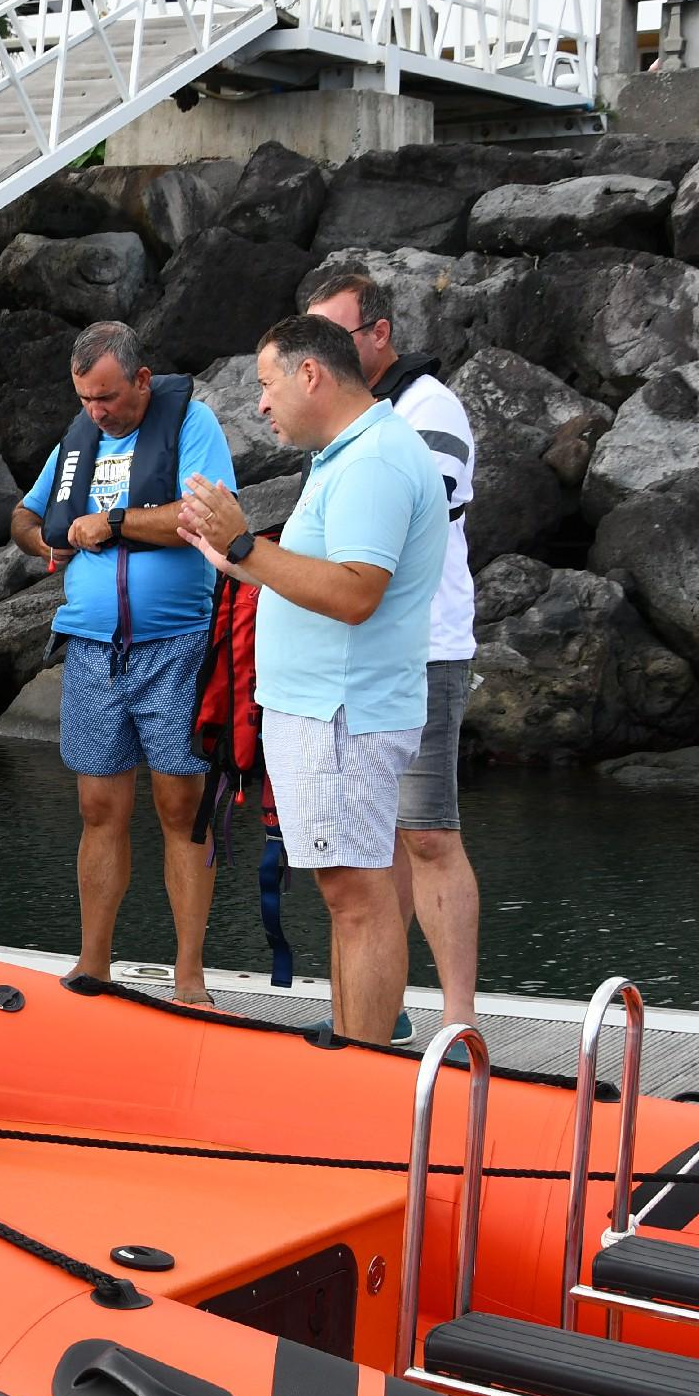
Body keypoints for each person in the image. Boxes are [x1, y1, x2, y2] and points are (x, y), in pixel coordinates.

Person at [177, 315, 447, 1046]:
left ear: (311, 374)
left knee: (357, 899)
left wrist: (243, 542)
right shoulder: (349, 454)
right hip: (331, 710)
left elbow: (358, 592)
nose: (260, 404)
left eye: (266, 385)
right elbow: (319, 576)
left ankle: (365, 1071)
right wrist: (233, 558)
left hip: (343, 713)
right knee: (350, 894)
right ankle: (361, 1057)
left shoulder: (373, 462)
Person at [7, 321, 236, 1001]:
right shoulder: (78, 441)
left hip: (177, 643)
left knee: (181, 805)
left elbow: (206, 516)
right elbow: (24, 515)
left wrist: (111, 524)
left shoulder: (192, 425)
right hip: (91, 650)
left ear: (141, 380)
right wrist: (42, 541)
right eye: (85, 400)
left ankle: (189, 974)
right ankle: (93, 962)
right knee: (98, 806)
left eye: (107, 397)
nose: (96, 412)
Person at [304, 273, 481, 1031]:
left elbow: (413, 520)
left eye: (334, 336)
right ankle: (386, 1011)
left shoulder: (428, 406)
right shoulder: (351, 421)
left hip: (424, 648)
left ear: (379, 335)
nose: (319, 356)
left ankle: (460, 1020)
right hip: (359, 651)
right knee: (371, 842)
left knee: (431, 833)